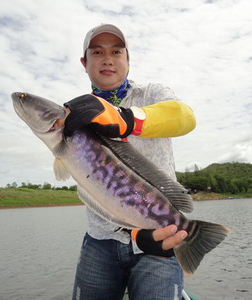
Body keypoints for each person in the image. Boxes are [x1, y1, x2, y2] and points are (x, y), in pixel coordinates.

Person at [63, 24, 196, 300]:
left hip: (161, 238)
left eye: (116, 51)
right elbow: (83, 178)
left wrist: (127, 119)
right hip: (99, 240)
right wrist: (132, 231)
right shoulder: (74, 114)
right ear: (84, 63)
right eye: (97, 52)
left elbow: (185, 117)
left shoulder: (152, 94)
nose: (107, 58)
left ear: (127, 59)